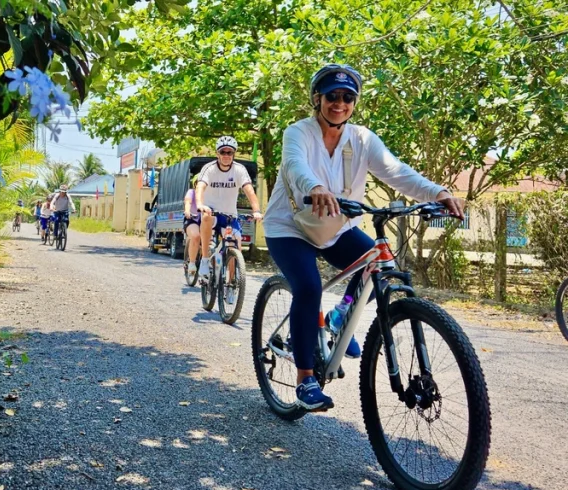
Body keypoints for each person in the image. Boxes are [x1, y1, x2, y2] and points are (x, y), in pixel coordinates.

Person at [262, 63, 464, 411]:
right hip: (289, 226)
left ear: (354, 103)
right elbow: (296, 166)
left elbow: (396, 171)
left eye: (347, 97)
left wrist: (438, 193)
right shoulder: (298, 132)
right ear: (317, 99)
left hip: (336, 225)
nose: (339, 103)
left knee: (379, 265)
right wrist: (316, 187)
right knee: (308, 287)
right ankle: (305, 379)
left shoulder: (362, 138)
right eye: (332, 96)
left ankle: (341, 316)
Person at [194, 136, 263, 277]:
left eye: (229, 152)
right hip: (211, 211)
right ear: (217, 154)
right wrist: (200, 204)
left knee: (233, 246)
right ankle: (205, 259)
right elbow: (200, 187)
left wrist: (256, 211)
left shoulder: (239, 170)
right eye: (223, 152)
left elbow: (249, 191)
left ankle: (231, 283)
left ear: (234, 154)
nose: (226, 155)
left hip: (229, 215)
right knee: (206, 217)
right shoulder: (209, 168)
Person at [182, 177, 203, 276]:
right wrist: (187, 210)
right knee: (196, 236)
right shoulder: (191, 192)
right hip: (192, 219)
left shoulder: (210, 195)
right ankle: (192, 262)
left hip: (206, 221)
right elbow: (188, 202)